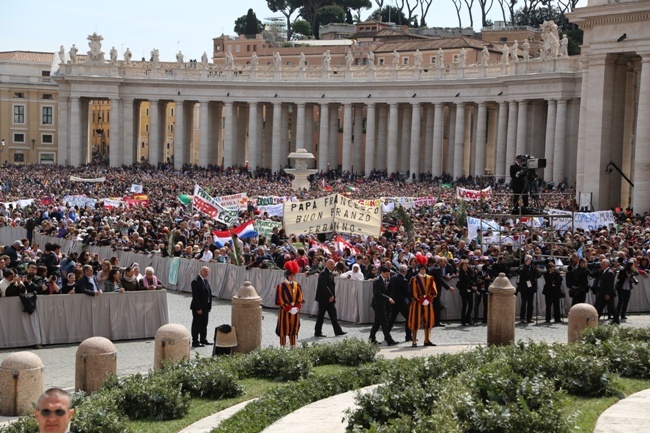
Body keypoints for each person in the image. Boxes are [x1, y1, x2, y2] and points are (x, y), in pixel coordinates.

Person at [408, 255, 438, 347]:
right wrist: (421, 299)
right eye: (421, 269)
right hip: (417, 303)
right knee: (415, 322)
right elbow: (414, 292)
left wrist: (429, 299)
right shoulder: (414, 279)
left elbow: (434, 291)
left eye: (424, 269)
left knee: (428, 321)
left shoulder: (431, 278)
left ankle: (427, 339)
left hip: (428, 303)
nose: (423, 271)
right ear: (419, 270)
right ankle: (414, 340)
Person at [314, 259, 346, 337]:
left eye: (334, 264)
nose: (333, 266)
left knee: (333, 315)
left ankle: (338, 331)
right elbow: (324, 286)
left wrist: (333, 296)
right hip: (323, 298)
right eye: (332, 264)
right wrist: (330, 295)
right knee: (320, 316)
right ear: (327, 264)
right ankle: (317, 332)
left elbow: (332, 287)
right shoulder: (323, 273)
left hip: (330, 299)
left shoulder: (330, 273)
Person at [275, 260, 304, 347]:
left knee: (293, 330)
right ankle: (282, 348)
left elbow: (300, 297)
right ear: (287, 275)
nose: (292, 277)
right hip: (285, 311)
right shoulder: (281, 286)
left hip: (295, 311)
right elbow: (280, 299)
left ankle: (293, 347)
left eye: (293, 275)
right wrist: (289, 309)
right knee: (283, 330)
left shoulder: (297, 285)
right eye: (291, 275)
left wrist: (297, 307)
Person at [369, 266, 398, 345]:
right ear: (382, 272)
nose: (387, 275)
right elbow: (377, 293)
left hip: (381, 304)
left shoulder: (383, 279)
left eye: (388, 274)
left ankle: (371, 338)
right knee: (384, 323)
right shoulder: (378, 280)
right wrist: (388, 298)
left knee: (377, 323)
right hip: (378, 304)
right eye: (386, 274)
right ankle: (389, 339)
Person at [387, 264, 412, 341]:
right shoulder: (404, 280)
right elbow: (407, 292)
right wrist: (411, 300)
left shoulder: (393, 278)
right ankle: (408, 336)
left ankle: (386, 334)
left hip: (393, 301)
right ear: (406, 271)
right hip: (402, 303)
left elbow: (388, 289)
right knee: (408, 318)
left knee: (392, 319)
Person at [190, 266, 212, 347]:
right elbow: (196, 297)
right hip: (198, 308)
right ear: (201, 271)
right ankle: (195, 341)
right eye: (205, 271)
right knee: (197, 324)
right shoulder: (195, 281)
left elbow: (208, 293)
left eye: (208, 272)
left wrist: (209, 306)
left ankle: (203, 339)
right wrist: (198, 308)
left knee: (204, 324)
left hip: (206, 307)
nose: (207, 273)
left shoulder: (205, 281)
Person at [595, 259, 619, 324]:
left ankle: (616, 320)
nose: (601, 265)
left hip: (608, 294)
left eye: (602, 264)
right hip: (602, 293)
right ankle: (595, 320)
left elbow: (610, 285)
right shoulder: (604, 272)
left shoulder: (609, 272)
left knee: (611, 308)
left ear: (606, 264)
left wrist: (608, 294)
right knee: (600, 307)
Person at [517, 255, 539, 323]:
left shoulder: (533, 267)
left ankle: (529, 318)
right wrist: (526, 265)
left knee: (530, 303)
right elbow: (521, 272)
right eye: (529, 259)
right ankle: (522, 317)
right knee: (524, 303)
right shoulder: (522, 266)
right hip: (524, 287)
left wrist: (537, 270)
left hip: (531, 287)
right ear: (526, 260)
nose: (531, 261)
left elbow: (538, 275)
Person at [457, 260, 476, 325]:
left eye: (466, 265)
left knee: (470, 305)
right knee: (464, 305)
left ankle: (468, 318)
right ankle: (463, 320)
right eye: (464, 265)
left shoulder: (468, 272)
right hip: (464, 291)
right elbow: (464, 284)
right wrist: (471, 287)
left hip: (469, 291)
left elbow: (471, 280)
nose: (465, 267)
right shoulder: (461, 274)